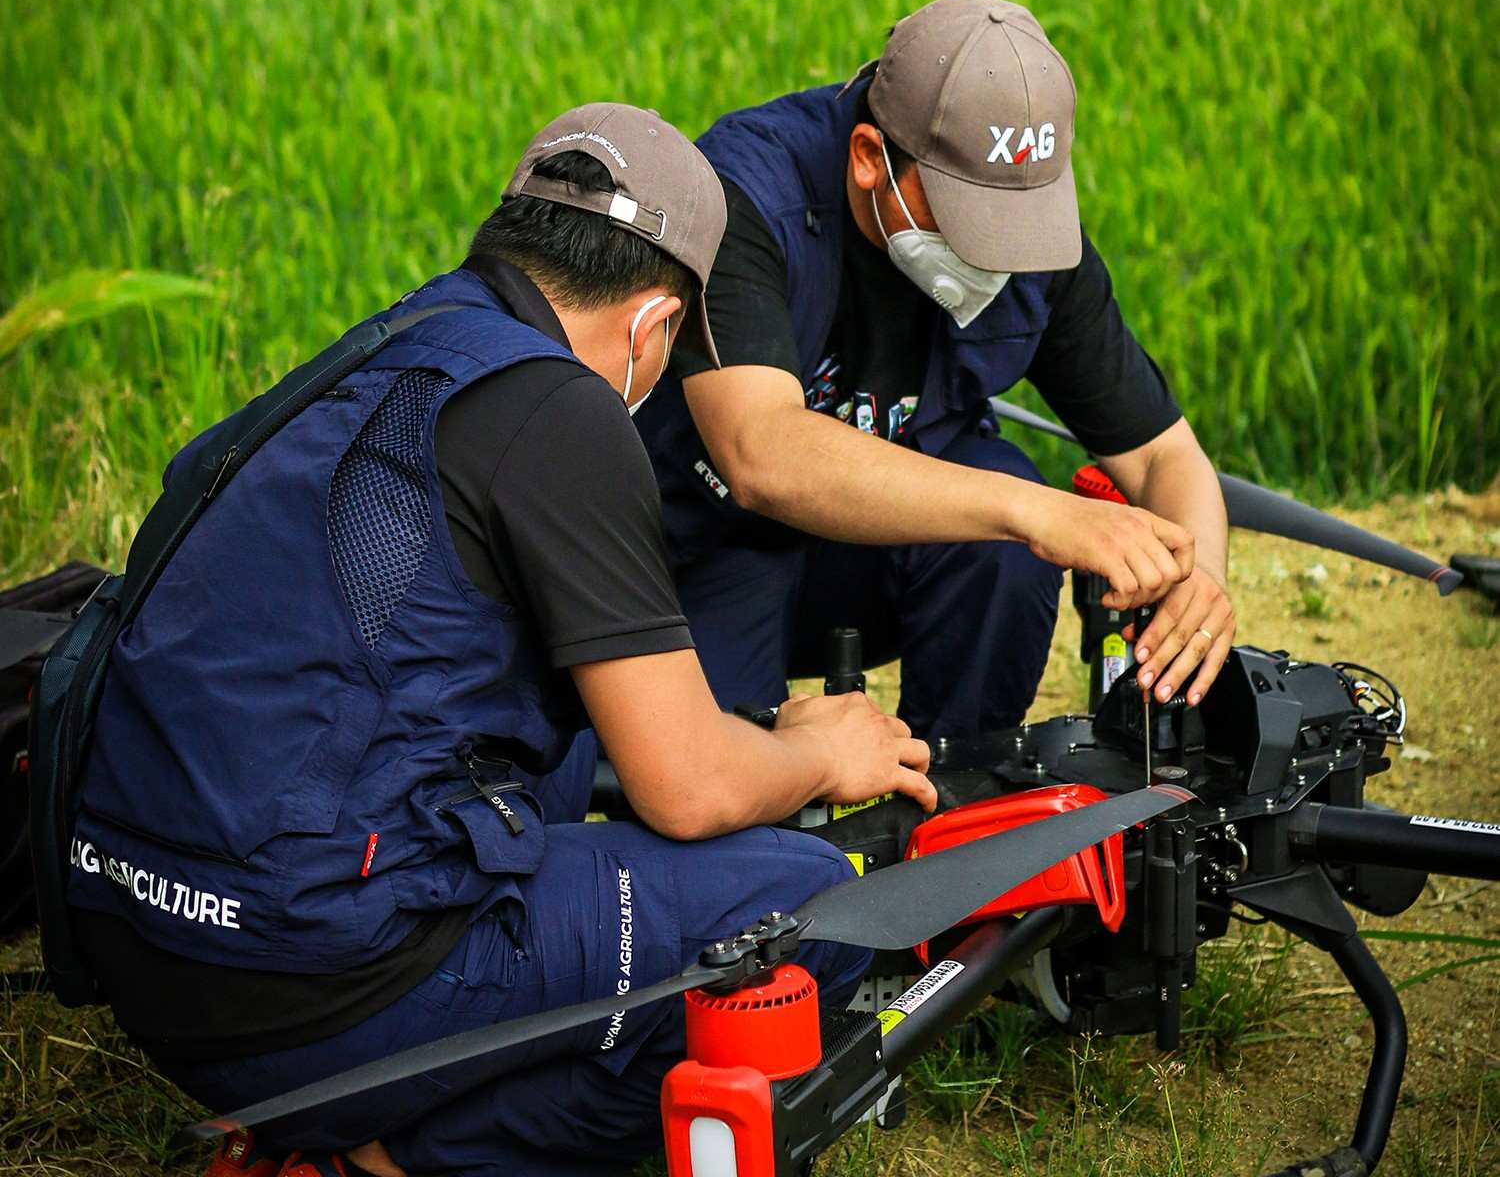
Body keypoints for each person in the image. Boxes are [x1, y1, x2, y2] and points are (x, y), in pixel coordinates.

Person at [67, 103, 934, 1177]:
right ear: (657, 323)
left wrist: (741, 730)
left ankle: (354, 1096)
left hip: (142, 949)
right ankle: (382, 1159)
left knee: (561, 736)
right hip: (312, 986)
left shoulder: (397, 346)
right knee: (813, 901)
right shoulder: (563, 414)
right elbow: (688, 790)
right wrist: (821, 751)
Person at [634, 0, 1238, 740]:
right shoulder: (748, 196)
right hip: (711, 548)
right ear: (868, 159)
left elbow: (1160, 453)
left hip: (883, 553)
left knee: (1005, 557)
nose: (996, 253)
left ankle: (956, 801)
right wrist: (1038, 511)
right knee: (727, 788)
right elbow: (760, 453)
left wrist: (1199, 576)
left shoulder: (1035, 239)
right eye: (967, 215)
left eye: (1013, 220)